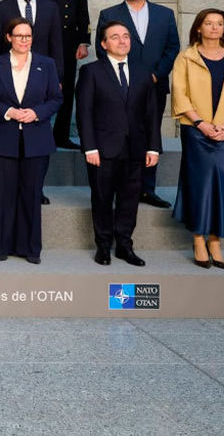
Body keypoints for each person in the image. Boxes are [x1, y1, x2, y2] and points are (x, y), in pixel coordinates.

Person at [76, 21, 160, 267]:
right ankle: (103, 246)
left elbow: (151, 113)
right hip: (102, 149)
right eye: (115, 37)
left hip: (135, 148)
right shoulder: (91, 71)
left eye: (126, 36)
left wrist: (153, 147)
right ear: (103, 44)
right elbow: (84, 112)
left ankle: (124, 245)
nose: (122, 41)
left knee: (130, 199)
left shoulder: (143, 72)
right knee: (102, 198)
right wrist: (89, 147)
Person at [97, 0, 180, 208]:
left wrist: (155, 75)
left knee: (150, 134)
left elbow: (172, 48)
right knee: (120, 133)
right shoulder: (109, 14)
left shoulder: (164, 15)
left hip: (154, 86)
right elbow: (103, 50)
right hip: (120, 88)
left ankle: (147, 189)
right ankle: (121, 188)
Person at [0, 18, 62, 264]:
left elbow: (56, 99)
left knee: (31, 194)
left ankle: (31, 249)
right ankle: (2, 246)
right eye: (19, 36)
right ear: (9, 38)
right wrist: (8, 111)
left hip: (36, 139)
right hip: (3, 138)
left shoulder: (46, 64)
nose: (24, 40)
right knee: (4, 194)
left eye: (28, 36)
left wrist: (36, 113)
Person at [170, 9, 224, 269]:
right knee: (199, 183)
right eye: (209, 23)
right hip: (196, 130)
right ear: (199, 28)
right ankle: (199, 238)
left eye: (220, 23)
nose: (215, 27)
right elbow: (179, 94)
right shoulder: (186, 58)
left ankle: (215, 240)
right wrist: (200, 124)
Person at [37, 0, 90, 148]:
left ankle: (61, 135)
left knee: (67, 89)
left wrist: (83, 42)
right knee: (39, 88)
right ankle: (39, 133)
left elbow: (82, 10)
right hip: (42, 42)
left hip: (68, 43)